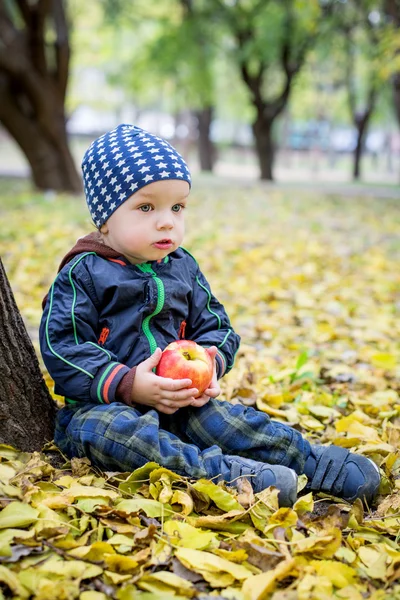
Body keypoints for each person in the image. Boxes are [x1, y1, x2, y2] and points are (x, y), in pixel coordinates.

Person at [39, 124, 380, 507]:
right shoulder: (82, 274)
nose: (167, 221)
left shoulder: (182, 268)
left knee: (230, 421)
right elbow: (62, 346)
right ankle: (223, 475)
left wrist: (212, 365)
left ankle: (310, 461)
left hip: (182, 404)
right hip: (102, 408)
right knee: (116, 436)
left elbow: (217, 327)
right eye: (146, 207)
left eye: (177, 207)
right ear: (104, 219)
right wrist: (129, 384)